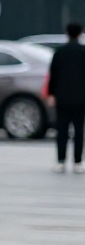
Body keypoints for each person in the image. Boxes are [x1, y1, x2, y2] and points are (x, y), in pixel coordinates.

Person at [46, 22, 85, 173]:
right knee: (78, 131)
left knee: (62, 130)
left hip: (62, 97)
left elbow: (53, 75)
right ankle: (77, 162)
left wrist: (51, 94)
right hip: (81, 98)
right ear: (80, 33)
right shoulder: (83, 52)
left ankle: (61, 161)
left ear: (67, 33)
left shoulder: (59, 52)